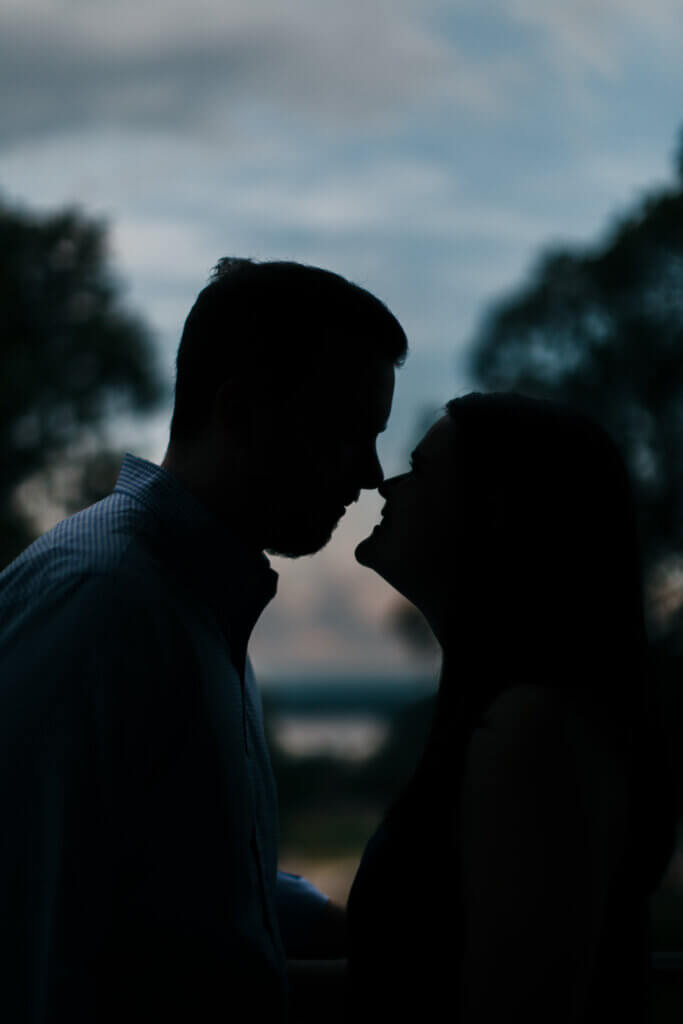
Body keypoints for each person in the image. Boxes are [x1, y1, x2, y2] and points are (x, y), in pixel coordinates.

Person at [0, 258, 406, 1023]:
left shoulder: (184, 597)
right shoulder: (104, 605)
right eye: (347, 434)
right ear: (241, 412)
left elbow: (167, 870)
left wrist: (315, 923)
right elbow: (33, 931)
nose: (370, 474)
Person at [346, 392, 676, 1023]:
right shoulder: (527, 721)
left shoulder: (532, 737)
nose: (386, 486)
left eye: (423, 470)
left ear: (500, 512)